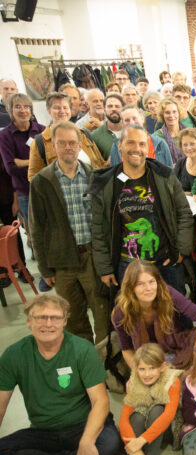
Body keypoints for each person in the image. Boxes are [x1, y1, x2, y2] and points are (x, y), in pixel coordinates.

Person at [0, 294, 120, 455]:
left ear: (65, 321)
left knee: (109, 444)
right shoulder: (13, 355)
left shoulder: (82, 349)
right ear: (29, 321)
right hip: (43, 433)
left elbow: (101, 402)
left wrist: (86, 441)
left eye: (56, 318)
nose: (48, 324)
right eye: (41, 317)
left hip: (84, 426)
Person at [28, 120, 110, 345]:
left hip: (93, 258)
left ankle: (107, 365)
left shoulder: (94, 176)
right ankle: (83, 362)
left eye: (73, 143)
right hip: (63, 262)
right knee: (73, 318)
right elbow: (36, 227)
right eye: (62, 143)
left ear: (80, 144)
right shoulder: (42, 182)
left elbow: (105, 221)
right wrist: (45, 267)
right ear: (53, 145)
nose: (68, 147)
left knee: (103, 312)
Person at [90, 124, 193, 293]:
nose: (137, 149)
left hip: (166, 261)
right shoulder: (106, 183)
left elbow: (184, 214)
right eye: (130, 143)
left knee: (176, 314)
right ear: (119, 145)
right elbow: (99, 229)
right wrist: (104, 268)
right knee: (135, 317)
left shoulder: (165, 175)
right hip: (127, 266)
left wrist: (181, 250)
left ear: (148, 147)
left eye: (142, 144)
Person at [112, 259, 196, 371]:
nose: (148, 288)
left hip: (177, 345)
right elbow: (126, 350)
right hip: (150, 358)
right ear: (131, 288)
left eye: (151, 281)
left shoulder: (166, 292)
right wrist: (139, 373)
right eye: (140, 284)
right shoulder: (121, 312)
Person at [116, 343, 182, 455]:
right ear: (136, 369)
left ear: (162, 367)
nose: (146, 374)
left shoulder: (172, 381)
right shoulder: (135, 382)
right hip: (143, 432)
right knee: (137, 416)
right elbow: (124, 419)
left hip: (165, 429)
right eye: (142, 369)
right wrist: (136, 450)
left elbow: (168, 416)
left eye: (152, 368)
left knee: (157, 410)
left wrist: (141, 440)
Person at [28, 92, 106, 180]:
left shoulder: (84, 135)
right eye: (57, 108)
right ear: (49, 110)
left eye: (65, 107)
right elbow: (33, 177)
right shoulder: (40, 142)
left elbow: (100, 164)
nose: (62, 111)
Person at [0, 93, 44, 245]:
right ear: (10, 110)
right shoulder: (5, 135)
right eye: (18, 107)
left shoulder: (42, 130)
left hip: (45, 189)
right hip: (25, 192)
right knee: (34, 233)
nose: (23, 110)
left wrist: (22, 162)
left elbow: (49, 162)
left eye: (26, 107)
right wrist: (35, 163)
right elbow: (10, 168)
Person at [109, 105, 173, 167]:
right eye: (127, 120)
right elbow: (114, 174)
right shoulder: (117, 146)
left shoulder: (160, 143)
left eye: (134, 118)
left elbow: (169, 174)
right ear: (122, 124)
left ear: (142, 118)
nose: (131, 123)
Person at [90, 93, 125, 160]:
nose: (113, 109)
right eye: (110, 106)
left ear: (123, 109)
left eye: (117, 106)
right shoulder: (95, 136)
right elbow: (95, 164)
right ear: (104, 110)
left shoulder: (132, 131)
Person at [153, 98, 185, 164]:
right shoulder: (156, 137)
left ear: (179, 113)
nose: (171, 115)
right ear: (162, 115)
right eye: (167, 112)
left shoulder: (188, 133)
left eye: (174, 112)